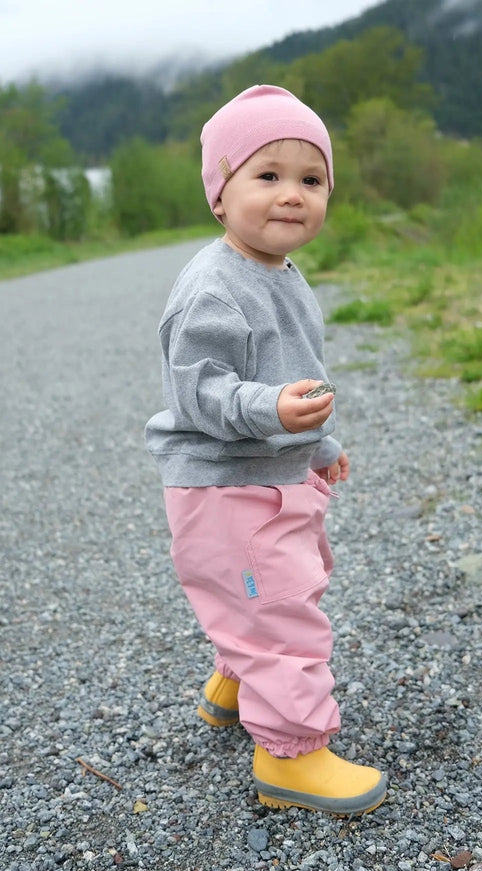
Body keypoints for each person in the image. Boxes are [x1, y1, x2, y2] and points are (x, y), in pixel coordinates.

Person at [144, 85, 386, 816]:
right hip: (226, 486)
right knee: (277, 608)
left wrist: (317, 443)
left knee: (281, 586)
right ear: (220, 194)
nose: (292, 195)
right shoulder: (213, 289)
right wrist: (272, 410)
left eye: (311, 180)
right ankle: (291, 756)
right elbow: (200, 392)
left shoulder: (281, 273)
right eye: (268, 175)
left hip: (271, 474)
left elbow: (292, 373)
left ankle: (235, 683)